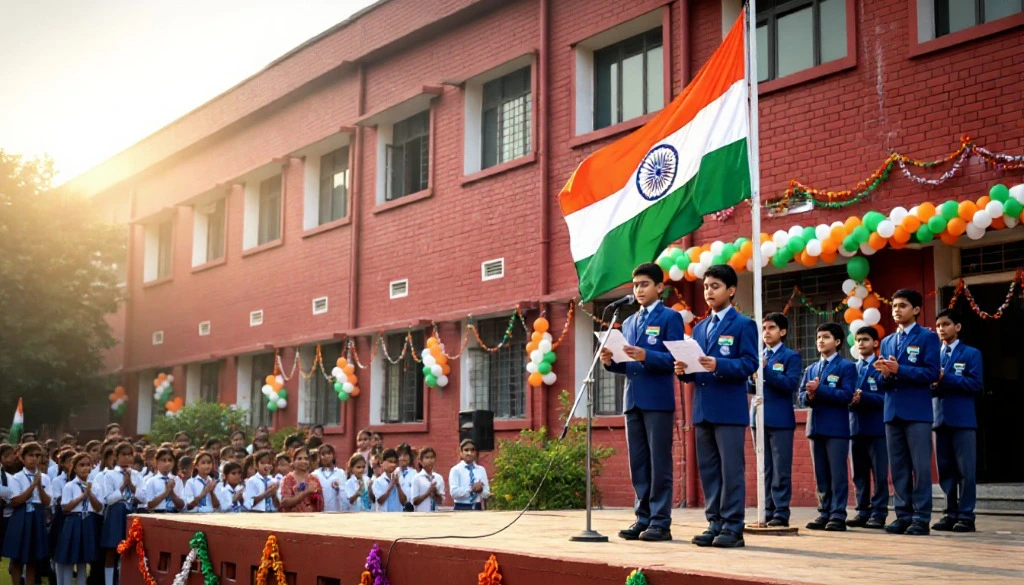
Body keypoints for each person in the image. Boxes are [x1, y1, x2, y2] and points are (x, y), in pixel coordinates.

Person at [599, 262, 684, 542]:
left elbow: (674, 359)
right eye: (635, 285)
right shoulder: (631, 321)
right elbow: (629, 364)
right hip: (632, 400)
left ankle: (661, 521)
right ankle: (642, 517)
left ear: (660, 287)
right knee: (638, 463)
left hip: (658, 400)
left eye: (644, 284)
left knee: (659, 462)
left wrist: (645, 355)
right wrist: (611, 362)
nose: (638, 290)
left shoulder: (670, 317)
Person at [676, 265, 757, 548]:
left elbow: (750, 363)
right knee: (709, 469)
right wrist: (683, 369)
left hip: (730, 410)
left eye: (715, 286)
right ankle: (715, 523)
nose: (709, 291)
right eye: (706, 286)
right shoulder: (699, 328)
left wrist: (719, 364)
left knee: (731, 469)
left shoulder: (744, 325)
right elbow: (696, 369)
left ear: (731, 290)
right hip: (703, 408)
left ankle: (733, 527)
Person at [874, 288, 940, 536]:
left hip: (917, 412)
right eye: (894, 306)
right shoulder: (889, 340)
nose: (897, 310)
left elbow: (932, 374)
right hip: (891, 412)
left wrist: (900, 369)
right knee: (898, 466)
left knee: (920, 467)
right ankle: (903, 515)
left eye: (902, 305)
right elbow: (882, 382)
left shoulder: (927, 338)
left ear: (916, 310)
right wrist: (885, 375)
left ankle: (921, 517)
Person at [799, 323, 856, 531]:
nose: (821, 341)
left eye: (826, 337)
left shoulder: (846, 367)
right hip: (815, 427)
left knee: (837, 473)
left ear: (838, 342)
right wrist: (810, 395)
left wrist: (820, 390)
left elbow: (847, 395)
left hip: (837, 428)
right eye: (818, 337)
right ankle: (824, 512)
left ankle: (838, 514)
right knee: (821, 473)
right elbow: (801, 397)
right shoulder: (811, 369)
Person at [747, 312, 800, 527]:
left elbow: (790, 385)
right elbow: (749, 387)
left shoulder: (790, 356)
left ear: (783, 331)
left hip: (780, 419)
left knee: (780, 468)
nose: (766, 332)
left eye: (771, 328)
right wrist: (752, 377)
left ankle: (780, 511)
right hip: (758, 417)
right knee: (764, 467)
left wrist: (766, 368)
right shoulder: (758, 356)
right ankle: (765, 509)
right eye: (764, 328)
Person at [931, 309, 982, 533]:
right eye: (938, 325)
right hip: (938, 419)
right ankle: (950, 513)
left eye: (946, 324)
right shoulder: (933, 355)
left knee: (966, 471)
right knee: (945, 470)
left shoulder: (971, 353)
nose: (941, 329)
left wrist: (946, 378)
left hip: (963, 420)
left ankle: (966, 515)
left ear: (957, 327)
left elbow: (975, 384)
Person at [847, 326, 888, 529]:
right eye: (858, 340)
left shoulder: (882, 367)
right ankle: (862, 510)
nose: (861, 343)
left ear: (875, 343)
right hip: (855, 428)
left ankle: (879, 512)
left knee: (880, 473)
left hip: (877, 428)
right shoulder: (850, 369)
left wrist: (865, 397)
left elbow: (887, 398)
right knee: (859, 474)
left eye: (865, 339)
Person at [1, 442, 52, 585]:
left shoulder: (45, 478)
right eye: (31, 455)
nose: (34, 459)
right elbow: (16, 501)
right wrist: (33, 485)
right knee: (17, 557)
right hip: (21, 516)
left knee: (33, 558)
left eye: (38, 455)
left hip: (37, 515)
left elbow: (47, 501)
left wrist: (40, 486)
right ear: (22, 458)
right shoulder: (16, 477)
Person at [55, 453, 102, 585]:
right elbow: (66, 508)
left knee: (83, 560)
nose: (85, 468)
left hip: (88, 522)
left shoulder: (96, 486)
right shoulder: (70, 486)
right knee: (69, 558)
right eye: (81, 465)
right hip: (73, 521)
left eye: (88, 465)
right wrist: (82, 496)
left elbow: (98, 508)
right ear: (74, 468)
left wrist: (90, 493)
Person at [449, 439, 489, 511]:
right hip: (461, 507)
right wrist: (471, 490)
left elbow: (487, 494)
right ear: (461, 453)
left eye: (472, 450)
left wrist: (481, 490)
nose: (469, 453)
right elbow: (454, 493)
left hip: (477, 507)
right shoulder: (455, 470)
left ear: (475, 453)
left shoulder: (481, 470)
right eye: (466, 450)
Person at [279, 448, 323, 513]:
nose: (303, 461)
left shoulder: (314, 479)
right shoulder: (288, 479)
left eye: (306, 459)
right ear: (293, 461)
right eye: (299, 459)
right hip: (293, 519)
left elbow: (321, 504)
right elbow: (285, 503)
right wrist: (305, 493)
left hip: (312, 519)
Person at [142, 448, 184, 513]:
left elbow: (181, 506)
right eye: (163, 460)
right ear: (157, 462)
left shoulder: (177, 480)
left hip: (174, 514)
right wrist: (166, 492)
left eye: (170, 460)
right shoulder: (151, 481)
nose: (167, 463)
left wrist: (172, 492)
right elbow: (149, 505)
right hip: (157, 514)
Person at [312, 445, 346, 512]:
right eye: (323, 454)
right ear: (319, 457)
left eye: (328, 453)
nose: (326, 456)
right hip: (320, 511)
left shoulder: (340, 473)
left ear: (333, 455)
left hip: (336, 510)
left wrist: (338, 488)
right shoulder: (315, 474)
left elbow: (344, 493)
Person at [410, 447, 445, 512]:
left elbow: (440, 501)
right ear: (420, 461)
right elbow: (414, 501)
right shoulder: (417, 478)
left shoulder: (438, 478)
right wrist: (428, 492)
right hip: (422, 515)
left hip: (436, 514)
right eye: (427, 458)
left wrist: (435, 492)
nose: (430, 460)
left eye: (432, 457)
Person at [395, 443, 417, 512]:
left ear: (410, 457)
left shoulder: (414, 474)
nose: (402, 458)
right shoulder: (394, 473)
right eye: (400, 455)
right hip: (395, 510)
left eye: (405, 455)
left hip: (411, 510)